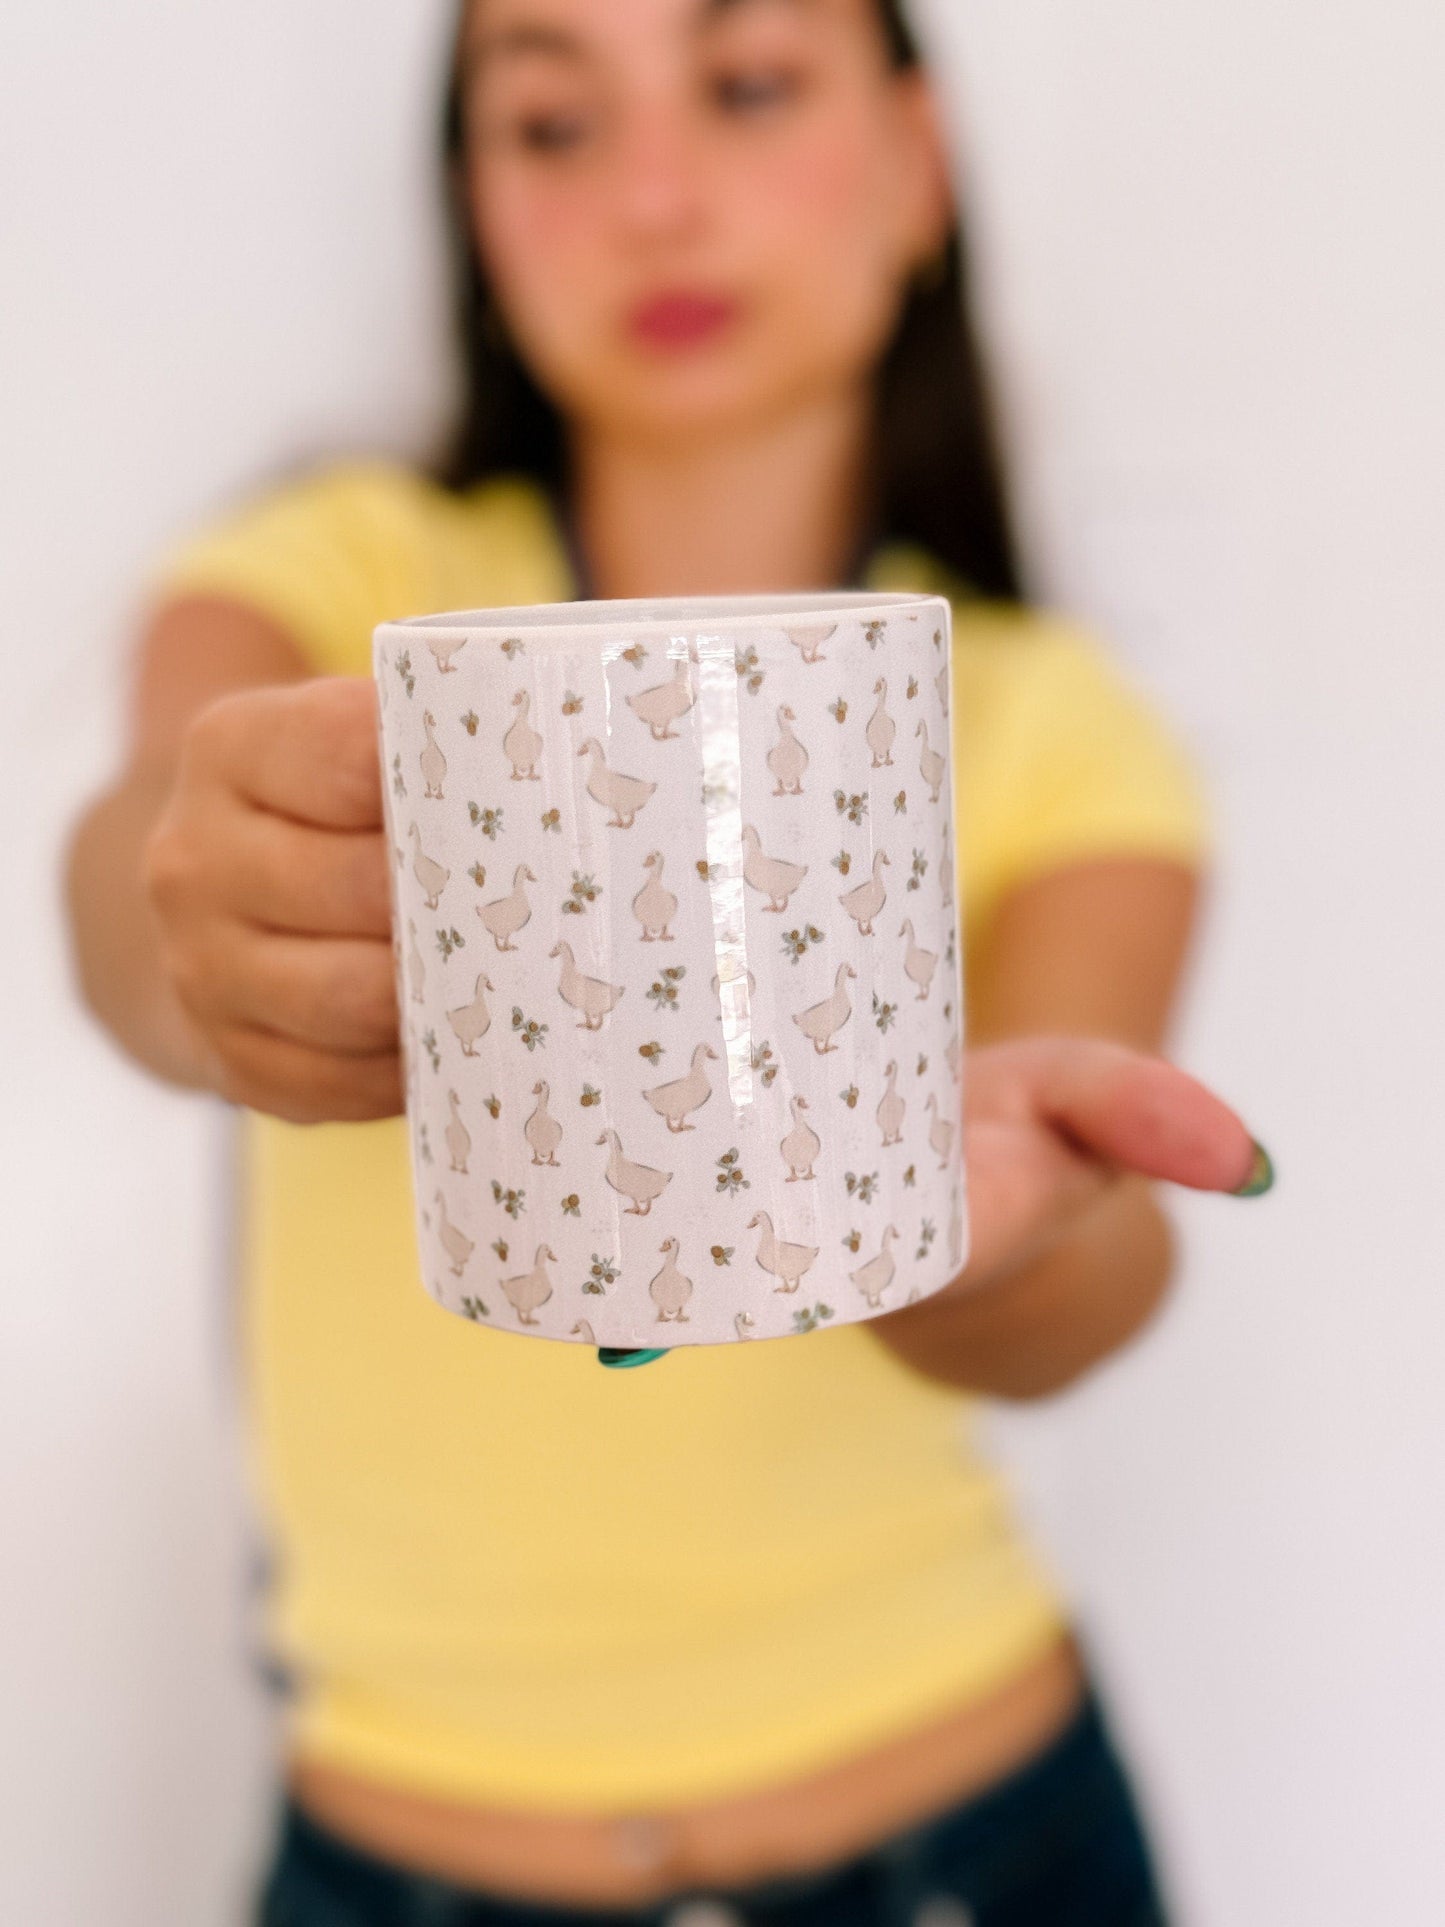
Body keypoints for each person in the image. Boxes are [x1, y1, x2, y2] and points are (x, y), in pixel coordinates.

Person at [62, 0, 1274, 1921]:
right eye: (552, 124)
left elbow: (1088, 1264)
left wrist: (985, 1234)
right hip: (397, 1845)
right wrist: (188, 917)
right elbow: (142, 854)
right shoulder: (343, 585)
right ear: (473, 203)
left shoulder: (1053, 722)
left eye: (746, 88)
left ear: (914, 162)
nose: (651, 196)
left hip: (975, 1833)